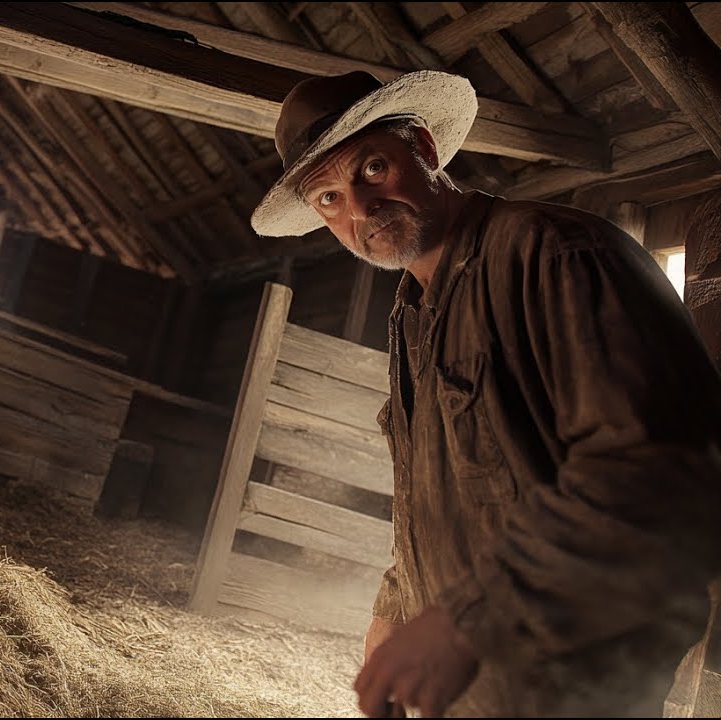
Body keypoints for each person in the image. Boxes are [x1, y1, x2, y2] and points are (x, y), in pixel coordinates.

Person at [249, 69, 721, 717]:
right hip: (479, 688)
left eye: (374, 168)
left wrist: (463, 624)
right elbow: (432, 489)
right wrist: (397, 607)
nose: (359, 209)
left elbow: (652, 471)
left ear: (425, 148)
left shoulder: (555, 257)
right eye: (328, 198)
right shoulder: (411, 309)